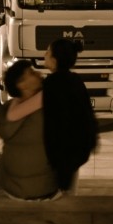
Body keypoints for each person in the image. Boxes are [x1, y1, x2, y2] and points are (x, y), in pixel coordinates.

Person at [0, 58, 58, 200]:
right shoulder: (51, 107)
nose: (37, 73)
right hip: (49, 188)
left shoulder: (5, 112)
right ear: (22, 85)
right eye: (31, 72)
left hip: (14, 189)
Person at [40, 37, 99, 193]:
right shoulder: (76, 81)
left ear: (55, 59)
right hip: (75, 152)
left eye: (47, 52)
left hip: (58, 154)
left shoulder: (51, 84)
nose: (44, 55)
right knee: (69, 193)